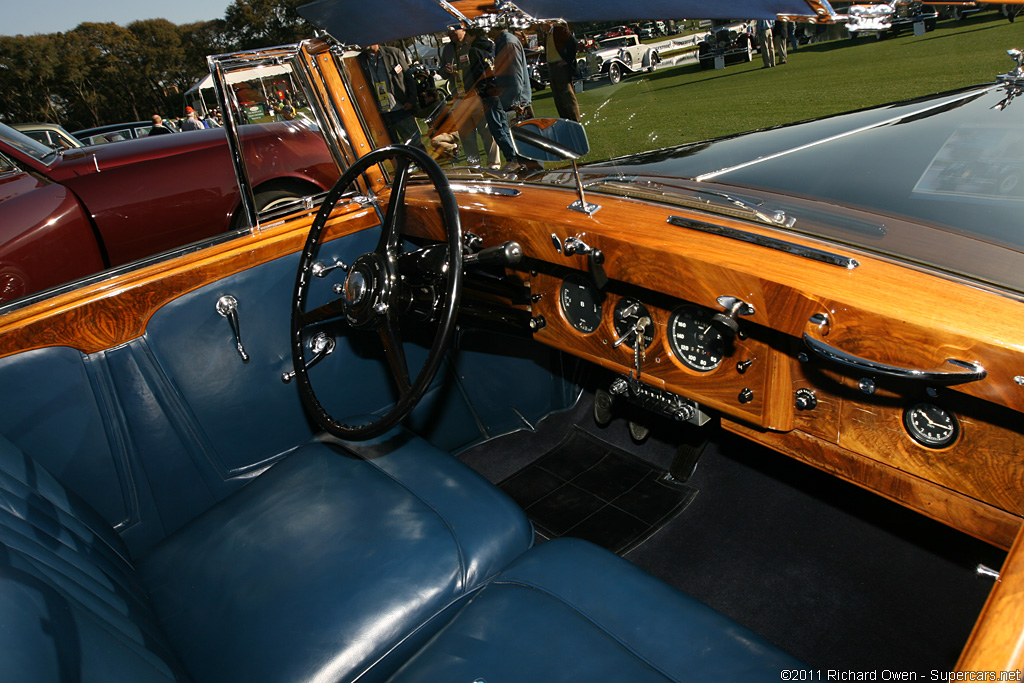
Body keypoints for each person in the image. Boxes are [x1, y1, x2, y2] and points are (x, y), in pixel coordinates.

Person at [438, 24, 499, 166]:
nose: (451, 33)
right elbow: (441, 71)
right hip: (459, 98)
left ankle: (493, 166)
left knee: (487, 133)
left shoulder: (473, 43)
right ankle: (474, 167)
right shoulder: (447, 49)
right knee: (467, 138)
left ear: (464, 29)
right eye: (449, 31)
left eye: (454, 30)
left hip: (476, 96)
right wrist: (446, 71)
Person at [486, 25, 538, 171]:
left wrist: (515, 102)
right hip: (515, 99)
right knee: (523, 144)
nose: (487, 30)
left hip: (517, 102)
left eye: (489, 27)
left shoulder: (508, 42)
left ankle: (534, 176)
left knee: (525, 145)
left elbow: (516, 76)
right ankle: (528, 172)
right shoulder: (503, 42)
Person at [358, 43, 422, 147]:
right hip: (380, 114)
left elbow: (409, 78)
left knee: (416, 146)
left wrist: (411, 100)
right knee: (392, 150)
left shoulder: (393, 53)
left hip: (401, 108)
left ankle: (423, 163)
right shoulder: (360, 60)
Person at [543, 21, 581, 122]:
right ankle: (565, 121)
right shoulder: (548, 34)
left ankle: (575, 121)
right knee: (558, 98)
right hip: (552, 67)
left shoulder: (559, 30)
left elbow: (574, 44)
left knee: (567, 96)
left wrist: (567, 60)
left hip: (560, 67)